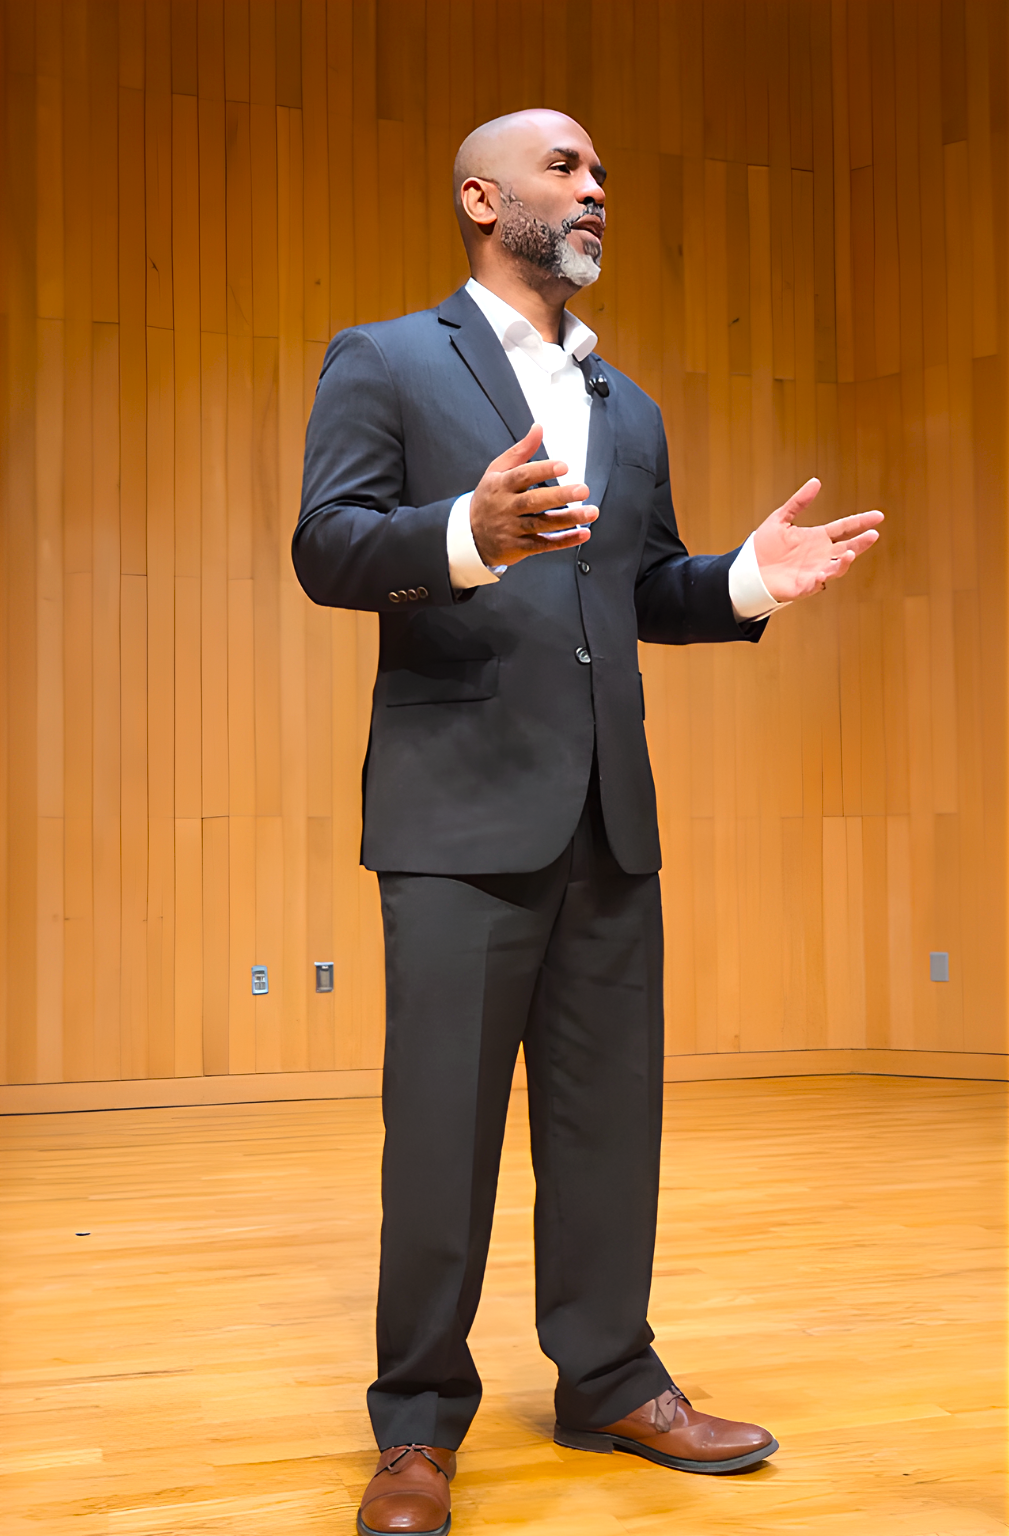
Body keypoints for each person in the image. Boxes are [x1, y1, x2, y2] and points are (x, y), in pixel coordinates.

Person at [293, 109, 882, 1536]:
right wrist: (462, 534)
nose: (596, 185)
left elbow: (643, 588)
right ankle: (419, 1427)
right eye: (568, 167)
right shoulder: (384, 359)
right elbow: (326, 544)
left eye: (604, 170)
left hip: (610, 816)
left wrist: (742, 579)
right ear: (483, 197)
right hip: (452, 818)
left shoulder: (630, 407)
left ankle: (611, 1376)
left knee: (611, 1127)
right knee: (440, 1136)